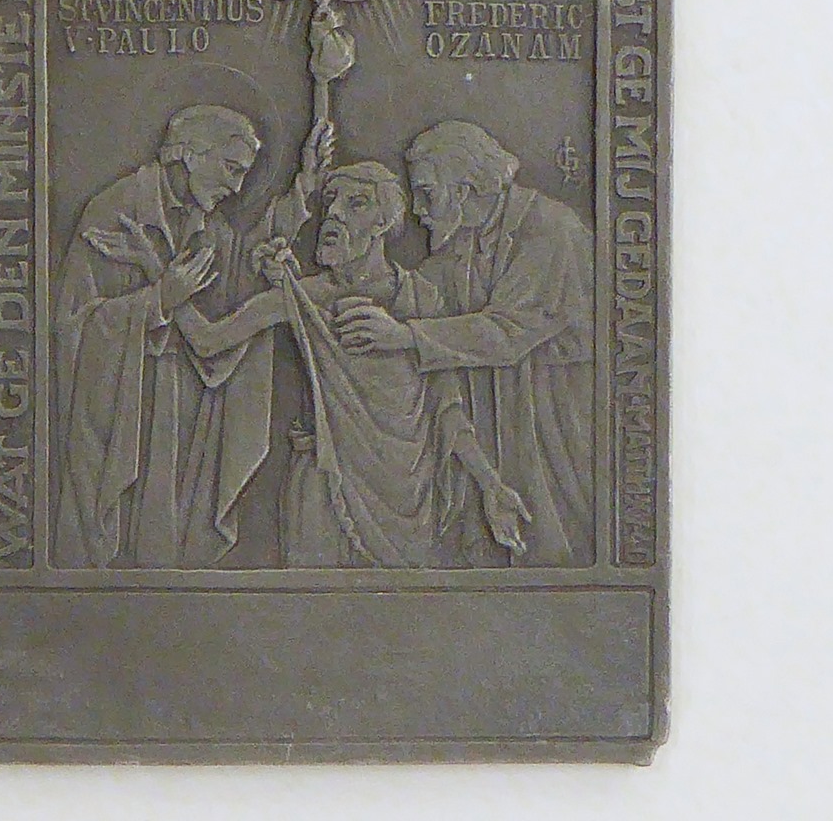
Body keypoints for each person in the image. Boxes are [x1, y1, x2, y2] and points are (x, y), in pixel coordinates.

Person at [180, 161, 529, 568]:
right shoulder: (301, 297)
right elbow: (209, 341)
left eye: (356, 204)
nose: (334, 214)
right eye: (331, 201)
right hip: (324, 489)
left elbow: (446, 408)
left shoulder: (420, 299)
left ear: (384, 223)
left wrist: (490, 484)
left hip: (410, 495)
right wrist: (164, 290)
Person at [53, 100, 333, 568]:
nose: (237, 187)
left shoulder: (205, 223)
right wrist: (157, 300)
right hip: (125, 412)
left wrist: (304, 187)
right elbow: (73, 331)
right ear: (188, 153)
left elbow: (241, 270)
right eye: (231, 168)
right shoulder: (116, 213)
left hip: (179, 409)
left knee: (167, 540)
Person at [330, 121, 595, 566]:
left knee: (558, 539)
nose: (418, 210)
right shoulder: (468, 238)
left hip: (556, 418)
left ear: (466, 189)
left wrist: (405, 336)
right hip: (504, 417)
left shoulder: (551, 230)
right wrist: (344, 275)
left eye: (427, 193)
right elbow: (416, 291)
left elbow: (506, 332)